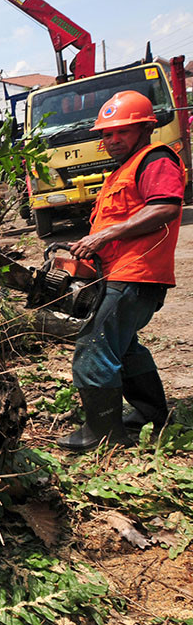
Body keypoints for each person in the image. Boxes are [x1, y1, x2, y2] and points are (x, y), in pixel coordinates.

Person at [57, 90, 186, 452]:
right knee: (124, 347)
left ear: (145, 128)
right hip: (122, 271)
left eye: (122, 132)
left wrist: (105, 236)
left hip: (138, 273)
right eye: (107, 134)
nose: (112, 140)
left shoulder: (155, 159)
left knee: (93, 346)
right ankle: (150, 414)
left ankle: (103, 434)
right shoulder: (122, 170)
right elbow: (117, 219)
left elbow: (165, 208)